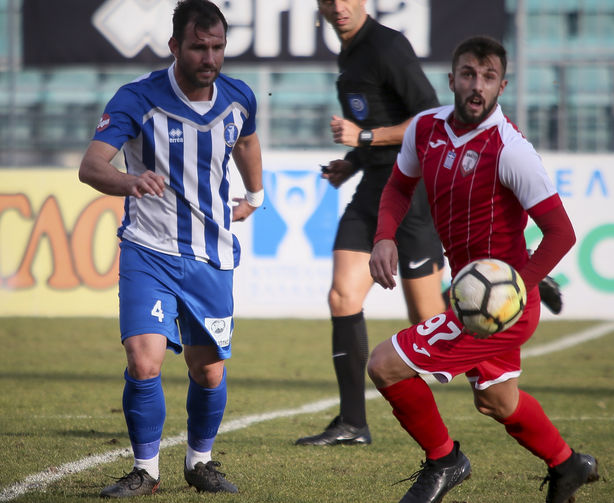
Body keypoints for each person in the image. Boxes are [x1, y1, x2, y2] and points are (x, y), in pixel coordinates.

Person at [368, 36, 599, 503]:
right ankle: (567, 464)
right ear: (451, 79)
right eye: (469, 75)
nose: (477, 86)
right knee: (497, 400)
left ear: (502, 85)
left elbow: (560, 232)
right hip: (474, 295)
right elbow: (398, 187)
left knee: (385, 365)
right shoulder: (425, 129)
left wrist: (521, 288)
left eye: (488, 78)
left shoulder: (510, 149)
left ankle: (444, 460)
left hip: (499, 306)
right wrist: (384, 236)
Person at [78, 0, 263, 497]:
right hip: (147, 250)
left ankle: (199, 463)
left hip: (211, 256)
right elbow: (91, 166)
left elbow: (246, 142)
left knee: (208, 371)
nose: (210, 57)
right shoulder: (137, 98)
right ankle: (145, 470)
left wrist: (256, 195)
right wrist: (129, 181)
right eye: (199, 47)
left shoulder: (240, 97)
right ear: (174, 46)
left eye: (218, 47)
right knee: (144, 360)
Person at [294, 0, 447, 446]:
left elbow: (430, 118)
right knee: (343, 294)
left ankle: (493, 302)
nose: (337, 7)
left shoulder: (387, 46)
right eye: (327, 0)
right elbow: (381, 121)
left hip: (411, 189)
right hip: (373, 184)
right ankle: (352, 423)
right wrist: (354, 161)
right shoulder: (351, 52)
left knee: (429, 319)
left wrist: (362, 137)